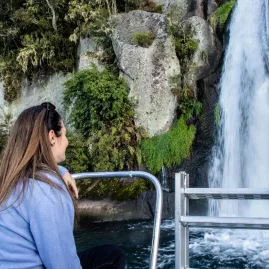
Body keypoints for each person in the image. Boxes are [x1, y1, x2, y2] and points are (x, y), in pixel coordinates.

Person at [0, 103, 125, 269]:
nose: (66, 142)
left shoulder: (9, 180)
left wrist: (60, 170)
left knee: (111, 254)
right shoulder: (47, 191)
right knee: (113, 257)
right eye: (64, 135)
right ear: (52, 137)